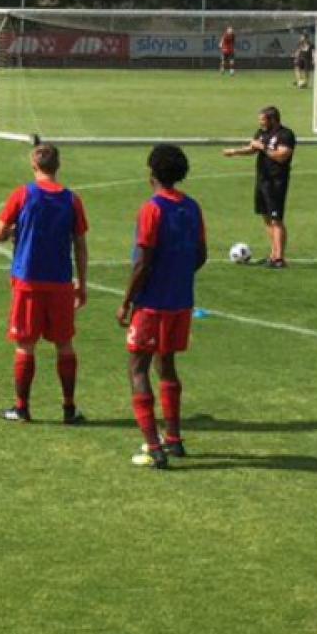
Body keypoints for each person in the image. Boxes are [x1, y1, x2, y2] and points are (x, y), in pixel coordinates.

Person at [117, 144, 207, 469]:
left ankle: (154, 446)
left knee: (137, 367)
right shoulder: (192, 207)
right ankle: (174, 439)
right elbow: (200, 255)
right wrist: (178, 276)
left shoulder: (152, 209)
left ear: (151, 172)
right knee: (165, 365)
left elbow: (142, 262)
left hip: (152, 303)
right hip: (181, 302)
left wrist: (127, 301)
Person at [0, 143, 89, 425]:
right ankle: (69, 408)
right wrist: (81, 285)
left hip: (28, 282)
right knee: (65, 345)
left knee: (25, 345)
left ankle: (22, 408)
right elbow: (81, 246)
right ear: (58, 167)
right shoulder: (72, 200)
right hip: (60, 282)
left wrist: (15, 229)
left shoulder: (23, 194)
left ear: (34, 166)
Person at [222, 105, 295, 268]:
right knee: (266, 217)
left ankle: (279, 259)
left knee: (276, 219)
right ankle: (273, 254)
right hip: (262, 180)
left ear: (273, 119)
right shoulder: (262, 133)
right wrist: (234, 152)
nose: (260, 123)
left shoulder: (285, 135)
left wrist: (263, 147)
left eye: (263, 120)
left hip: (276, 182)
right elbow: (252, 149)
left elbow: (282, 156)